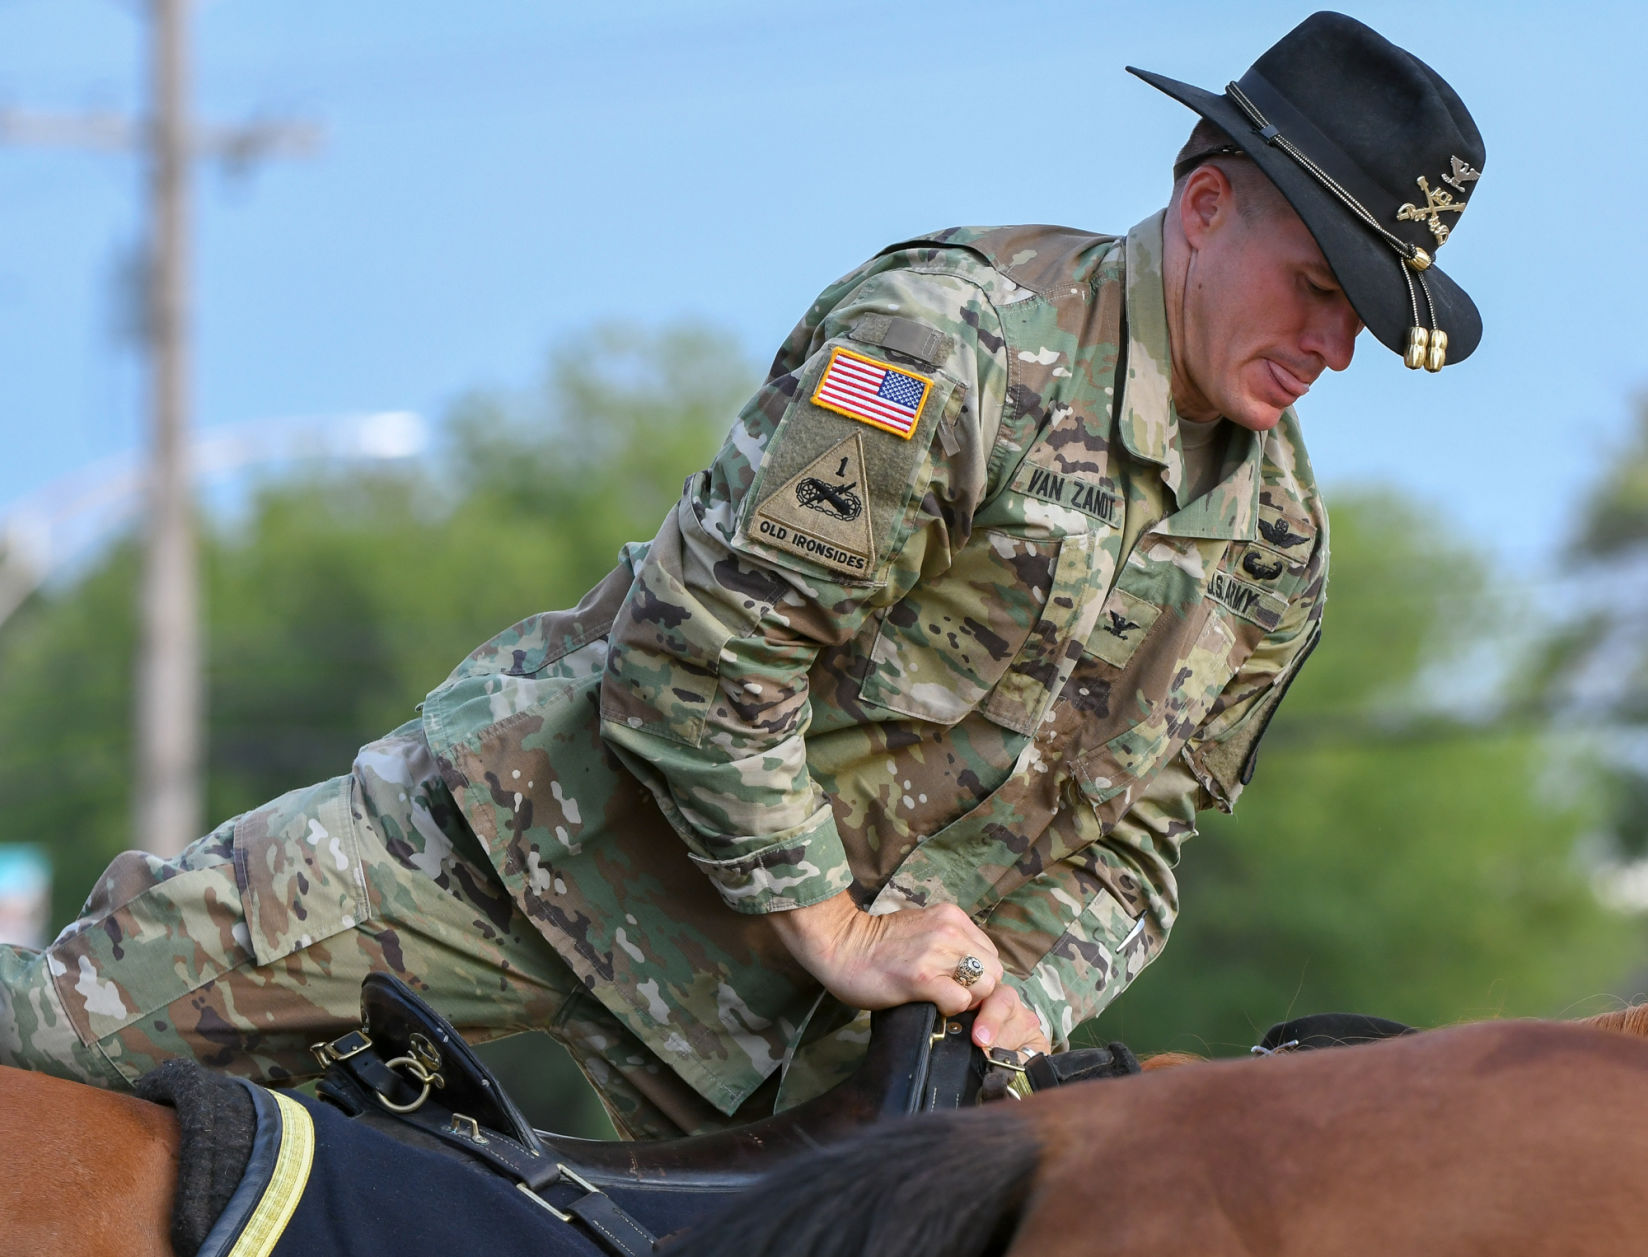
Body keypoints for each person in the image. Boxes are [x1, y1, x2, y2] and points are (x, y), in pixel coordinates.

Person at [0, 12, 1486, 1139]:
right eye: (1320, 287)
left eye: (1366, 317)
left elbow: (1142, 845)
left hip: (815, 1056)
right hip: (536, 864)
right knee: (55, 1046)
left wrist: (1028, 983)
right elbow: (697, 662)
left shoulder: (1275, 546)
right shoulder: (948, 349)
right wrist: (838, 929)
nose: (1335, 344)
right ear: (1209, 206)